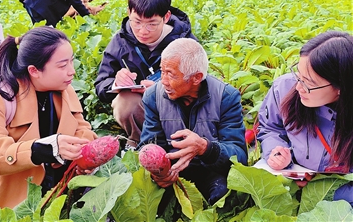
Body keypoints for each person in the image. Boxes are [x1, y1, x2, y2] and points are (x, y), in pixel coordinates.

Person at [0, 26, 98, 221]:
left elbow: (82, 129)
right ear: (34, 71)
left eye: (71, 61)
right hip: (5, 202)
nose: (71, 71)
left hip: (56, 195)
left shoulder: (64, 89)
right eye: (62, 65)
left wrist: (83, 156)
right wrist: (44, 149)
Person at [138, 38, 248, 206]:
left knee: (225, 196)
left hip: (211, 171)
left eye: (171, 74)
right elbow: (149, 144)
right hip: (172, 170)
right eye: (162, 71)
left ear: (196, 78)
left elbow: (239, 157)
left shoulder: (226, 97)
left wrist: (205, 148)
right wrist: (159, 173)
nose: (164, 81)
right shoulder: (153, 96)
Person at [94, 0, 197, 150]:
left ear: (166, 17)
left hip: (176, 112)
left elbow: (199, 86)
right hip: (139, 111)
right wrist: (116, 83)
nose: (142, 30)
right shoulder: (120, 42)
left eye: (151, 24)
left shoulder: (185, 43)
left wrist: (162, 88)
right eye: (137, 22)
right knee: (125, 102)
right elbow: (101, 84)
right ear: (129, 13)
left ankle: (174, 144)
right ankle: (137, 142)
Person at [257, 31, 353, 205]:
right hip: (292, 191)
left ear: (341, 87)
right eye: (298, 75)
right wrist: (277, 152)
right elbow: (270, 127)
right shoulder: (284, 87)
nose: (298, 87)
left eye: (309, 83)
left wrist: (317, 188)